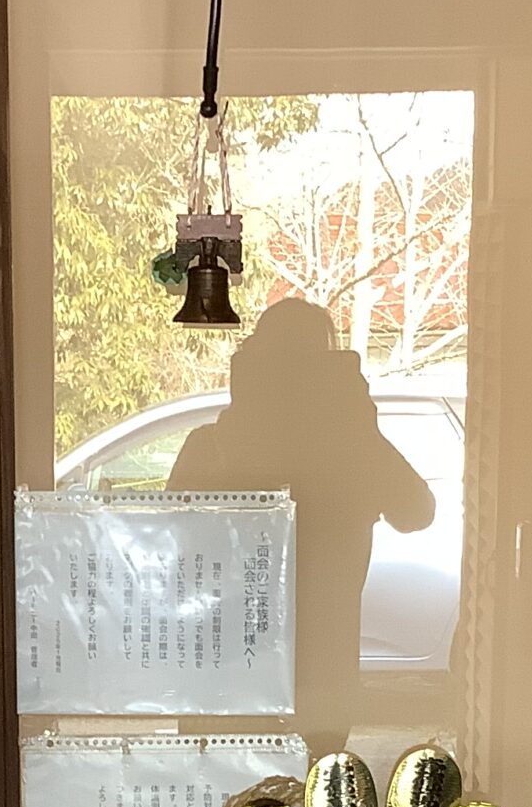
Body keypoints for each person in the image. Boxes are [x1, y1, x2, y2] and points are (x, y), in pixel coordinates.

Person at [168, 297, 434, 753]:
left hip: (223, 673)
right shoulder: (355, 449)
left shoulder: (210, 446)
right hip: (322, 684)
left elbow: (170, 542)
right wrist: (361, 434)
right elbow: (417, 511)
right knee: (314, 792)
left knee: (222, 793)